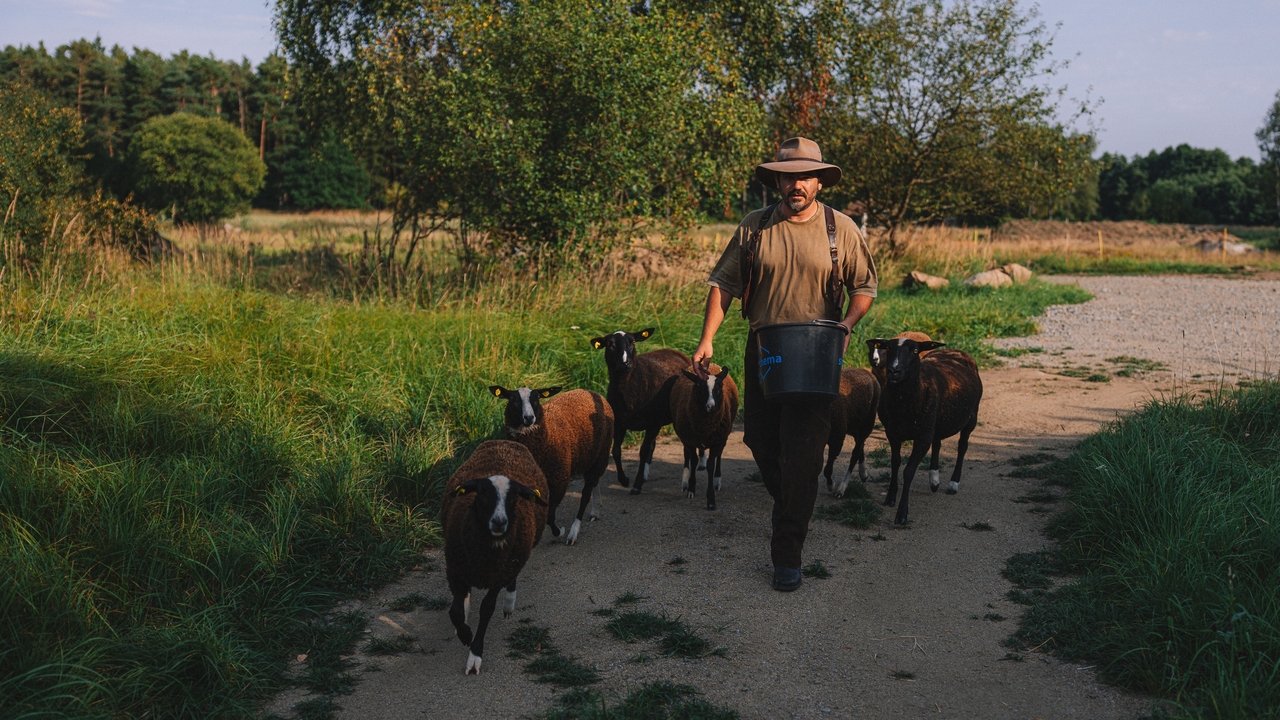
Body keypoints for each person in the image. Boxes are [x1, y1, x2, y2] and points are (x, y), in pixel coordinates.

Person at [692, 136, 878, 592]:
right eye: (789, 176)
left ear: (818, 181)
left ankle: (787, 553)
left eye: (805, 176)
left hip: (817, 355)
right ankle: (796, 500)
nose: (797, 184)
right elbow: (723, 286)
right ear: (777, 180)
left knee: (803, 452)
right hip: (765, 352)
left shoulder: (842, 229)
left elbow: (865, 288)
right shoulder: (753, 229)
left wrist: (847, 326)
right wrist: (706, 340)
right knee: (759, 440)